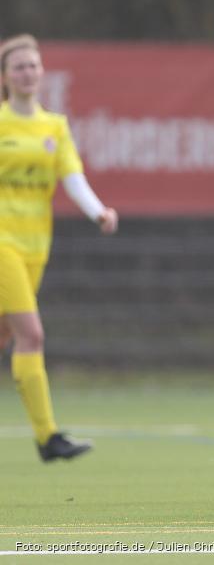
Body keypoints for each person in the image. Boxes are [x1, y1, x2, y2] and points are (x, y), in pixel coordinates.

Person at [0, 34, 119, 462]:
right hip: (2, 244)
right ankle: (48, 437)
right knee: (31, 334)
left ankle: (47, 437)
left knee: (5, 335)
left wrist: (98, 211)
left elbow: (73, 177)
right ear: (5, 77)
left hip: (36, 245)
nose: (28, 73)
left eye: (33, 65)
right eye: (19, 67)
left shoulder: (54, 126)